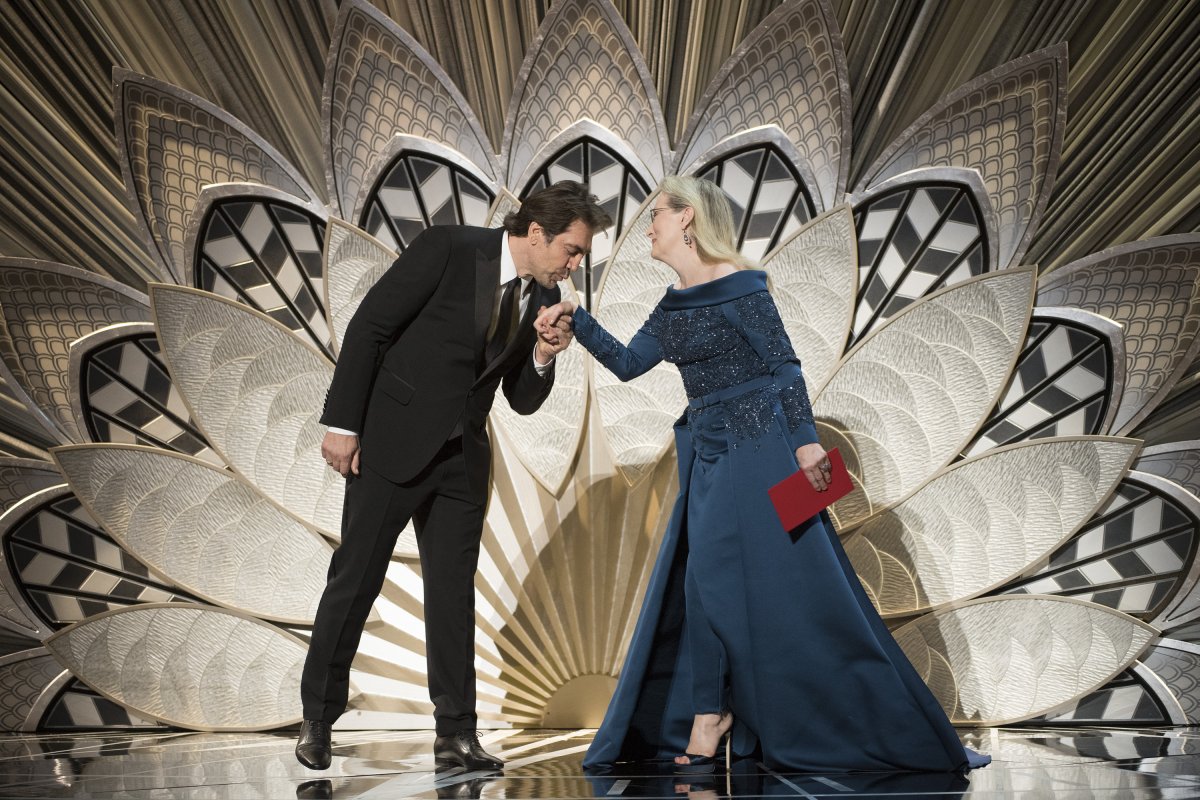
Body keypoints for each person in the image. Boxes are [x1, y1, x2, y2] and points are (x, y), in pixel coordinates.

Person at [535, 176, 989, 773]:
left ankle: (844, 717)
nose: (649, 228)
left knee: (801, 587)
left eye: (656, 215)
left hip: (764, 453)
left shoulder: (741, 286)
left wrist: (805, 444)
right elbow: (627, 364)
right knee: (703, 586)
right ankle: (710, 713)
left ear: (687, 218)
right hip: (709, 458)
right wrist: (579, 321)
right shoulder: (672, 305)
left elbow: (784, 367)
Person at [296, 181, 612, 772]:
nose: (575, 265)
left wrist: (544, 355)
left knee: (452, 596)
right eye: (572, 250)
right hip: (390, 446)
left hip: (462, 461)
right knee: (355, 580)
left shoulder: (544, 297)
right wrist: (342, 423)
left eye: (581, 256)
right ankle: (318, 718)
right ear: (536, 232)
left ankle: (456, 734)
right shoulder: (447, 248)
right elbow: (371, 328)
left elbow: (520, 399)